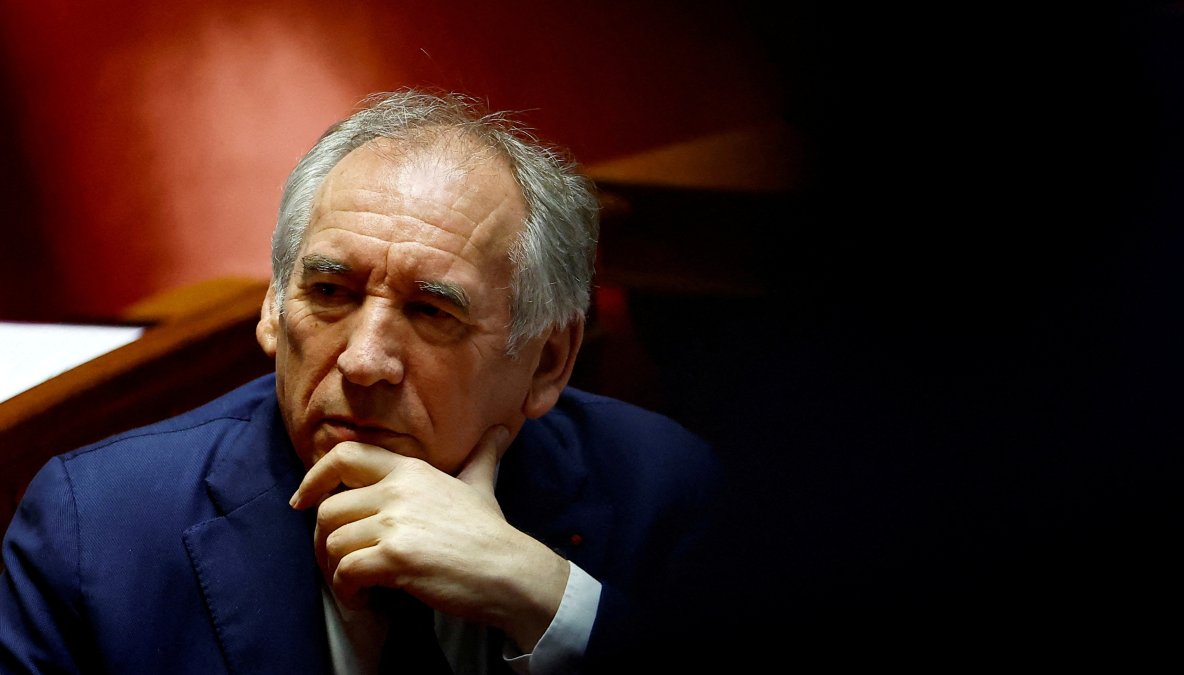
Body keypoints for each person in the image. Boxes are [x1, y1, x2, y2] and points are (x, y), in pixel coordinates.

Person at [0, 88, 724, 674]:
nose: (364, 359)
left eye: (431, 309)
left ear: (546, 363)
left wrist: (543, 597)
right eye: (331, 292)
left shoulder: (660, 493)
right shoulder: (95, 529)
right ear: (273, 310)